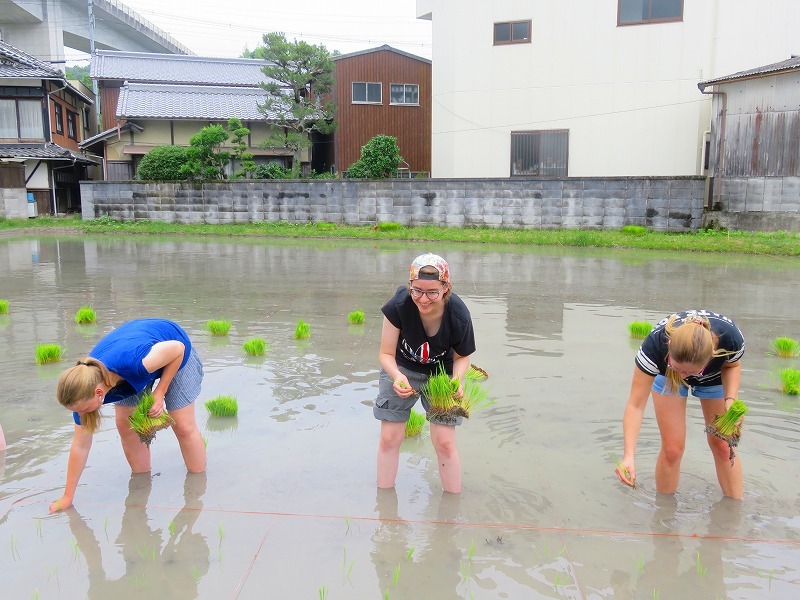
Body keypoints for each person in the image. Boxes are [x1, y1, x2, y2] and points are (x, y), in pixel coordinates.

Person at [49, 318, 206, 512]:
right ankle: (141, 485)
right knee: (126, 425)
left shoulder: (135, 363)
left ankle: (198, 489)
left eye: (82, 409)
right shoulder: (87, 384)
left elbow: (177, 348)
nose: (81, 414)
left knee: (182, 425)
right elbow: (80, 446)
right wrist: (67, 497)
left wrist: (160, 392)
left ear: (99, 394)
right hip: (132, 362)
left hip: (175, 352)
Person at [615, 310, 745, 499]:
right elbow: (635, 405)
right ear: (669, 345)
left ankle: (734, 513)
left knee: (723, 446)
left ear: (712, 355)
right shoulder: (654, 348)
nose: (684, 377)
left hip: (713, 376)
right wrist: (629, 456)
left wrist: (730, 400)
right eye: (678, 368)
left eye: (690, 372)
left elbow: (733, 365)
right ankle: (664, 514)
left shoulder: (730, 338)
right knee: (672, 450)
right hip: (667, 376)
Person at [374, 253, 476, 493]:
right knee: (389, 438)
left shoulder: (458, 315)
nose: (424, 299)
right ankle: (385, 506)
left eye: (432, 292)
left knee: (445, 442)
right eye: (417, 290)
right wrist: (398, 377)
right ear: (410, 285)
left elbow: (462, 357)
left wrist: (456, 381)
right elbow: (386, 354)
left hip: (441, 376)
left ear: (445, 287)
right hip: (402, 369)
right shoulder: (399, 306)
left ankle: (452, 504)